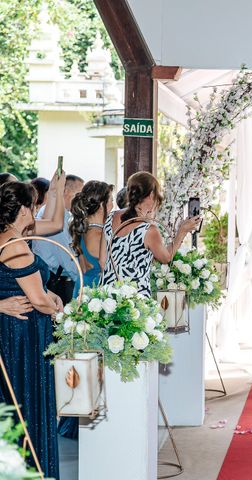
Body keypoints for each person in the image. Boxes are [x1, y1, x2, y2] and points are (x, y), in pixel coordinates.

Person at [0, 181, 63, 478]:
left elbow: (32, 289)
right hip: (21, 339)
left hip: (10, 334)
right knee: (26, 407)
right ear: (24, 209)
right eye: (35, 204)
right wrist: (66, 312)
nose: (36, 210)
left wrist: (46, 294)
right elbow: (37, 300)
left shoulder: (6, 238)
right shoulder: (15, 247)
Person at [58, 180, 114, 439]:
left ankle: (78, 425)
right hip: (94, 301)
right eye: (110, 200)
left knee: (88, 363)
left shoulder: (85, 230)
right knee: (95, 365)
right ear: (101, 203)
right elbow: (106, 265)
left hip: (81, 297)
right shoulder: (98, 233)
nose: (113, 205)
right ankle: (87, 428)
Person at [101, 172, 199, 296]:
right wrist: (182, 232)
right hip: (135, 297)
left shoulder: (110, 217)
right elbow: (166, 258)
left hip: (107, 293)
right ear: (152, 194)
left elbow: (102, 261)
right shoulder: (148, 229)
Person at [32, 174, 84, 304]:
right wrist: (82, 283)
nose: (81, 199)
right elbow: (67, 256)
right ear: (65, 191)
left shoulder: (65, 213)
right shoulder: (56, 214)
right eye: (78, 194)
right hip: (55, 282)